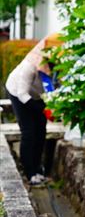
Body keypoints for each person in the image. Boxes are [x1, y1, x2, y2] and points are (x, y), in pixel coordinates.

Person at [4, 33, 61, 185]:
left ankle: (38, 169)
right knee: (29, 132)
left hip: (37, 97)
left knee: (41, 131)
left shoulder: (56, 67)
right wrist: (39, 109)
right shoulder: (30, 66)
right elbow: (22, 93)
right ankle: (29, 173)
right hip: (18, 93)